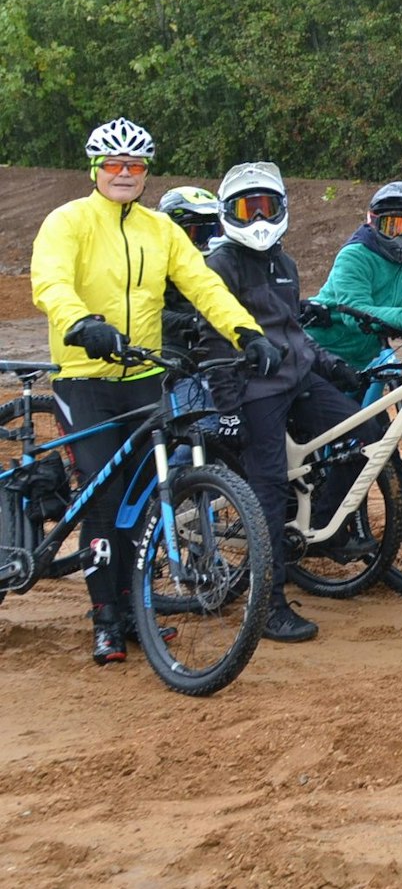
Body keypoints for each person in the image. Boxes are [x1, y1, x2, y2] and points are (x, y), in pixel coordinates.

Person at [29, 119, 275, 664]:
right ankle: (106, 620)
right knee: (105, 495)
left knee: (141, 502)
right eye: (114, 164)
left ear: (145, 174)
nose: (124, 173)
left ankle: (135, 612)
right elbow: (50, 282)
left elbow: (204, 285)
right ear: (96, 169)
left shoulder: (160, 230)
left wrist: (246, 332)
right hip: (84, 375)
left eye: (134, 165)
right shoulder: (67, 221)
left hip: (142, 376)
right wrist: (81, 323)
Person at [201, 162, 376, 643]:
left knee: (367, 433)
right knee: (268, 492)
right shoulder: (220, 266)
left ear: (281, 208)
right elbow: (215, 342)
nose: (258, 217)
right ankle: (269, 606)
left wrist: (332, 366)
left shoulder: (286, 265)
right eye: (247, 209)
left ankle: (323, 523)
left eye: (266, 207)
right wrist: (228, 409)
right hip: (255, 391)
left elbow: (294, 334)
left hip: (299, 380)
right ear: (228, 213)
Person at [307, 182, 402, 370]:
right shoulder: (354, 255)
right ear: (374, 223)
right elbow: (353, 310)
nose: (401, 237)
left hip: (367, 355)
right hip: (323, 352)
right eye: (392, 227)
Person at [158, 186, 224, 349]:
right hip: (169, 346)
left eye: (212, 232)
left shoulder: (223, 263)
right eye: (196, 233)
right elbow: (148, 312)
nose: (206, 242)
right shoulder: (154, 264)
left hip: (215, 342)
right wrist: (192, 321)